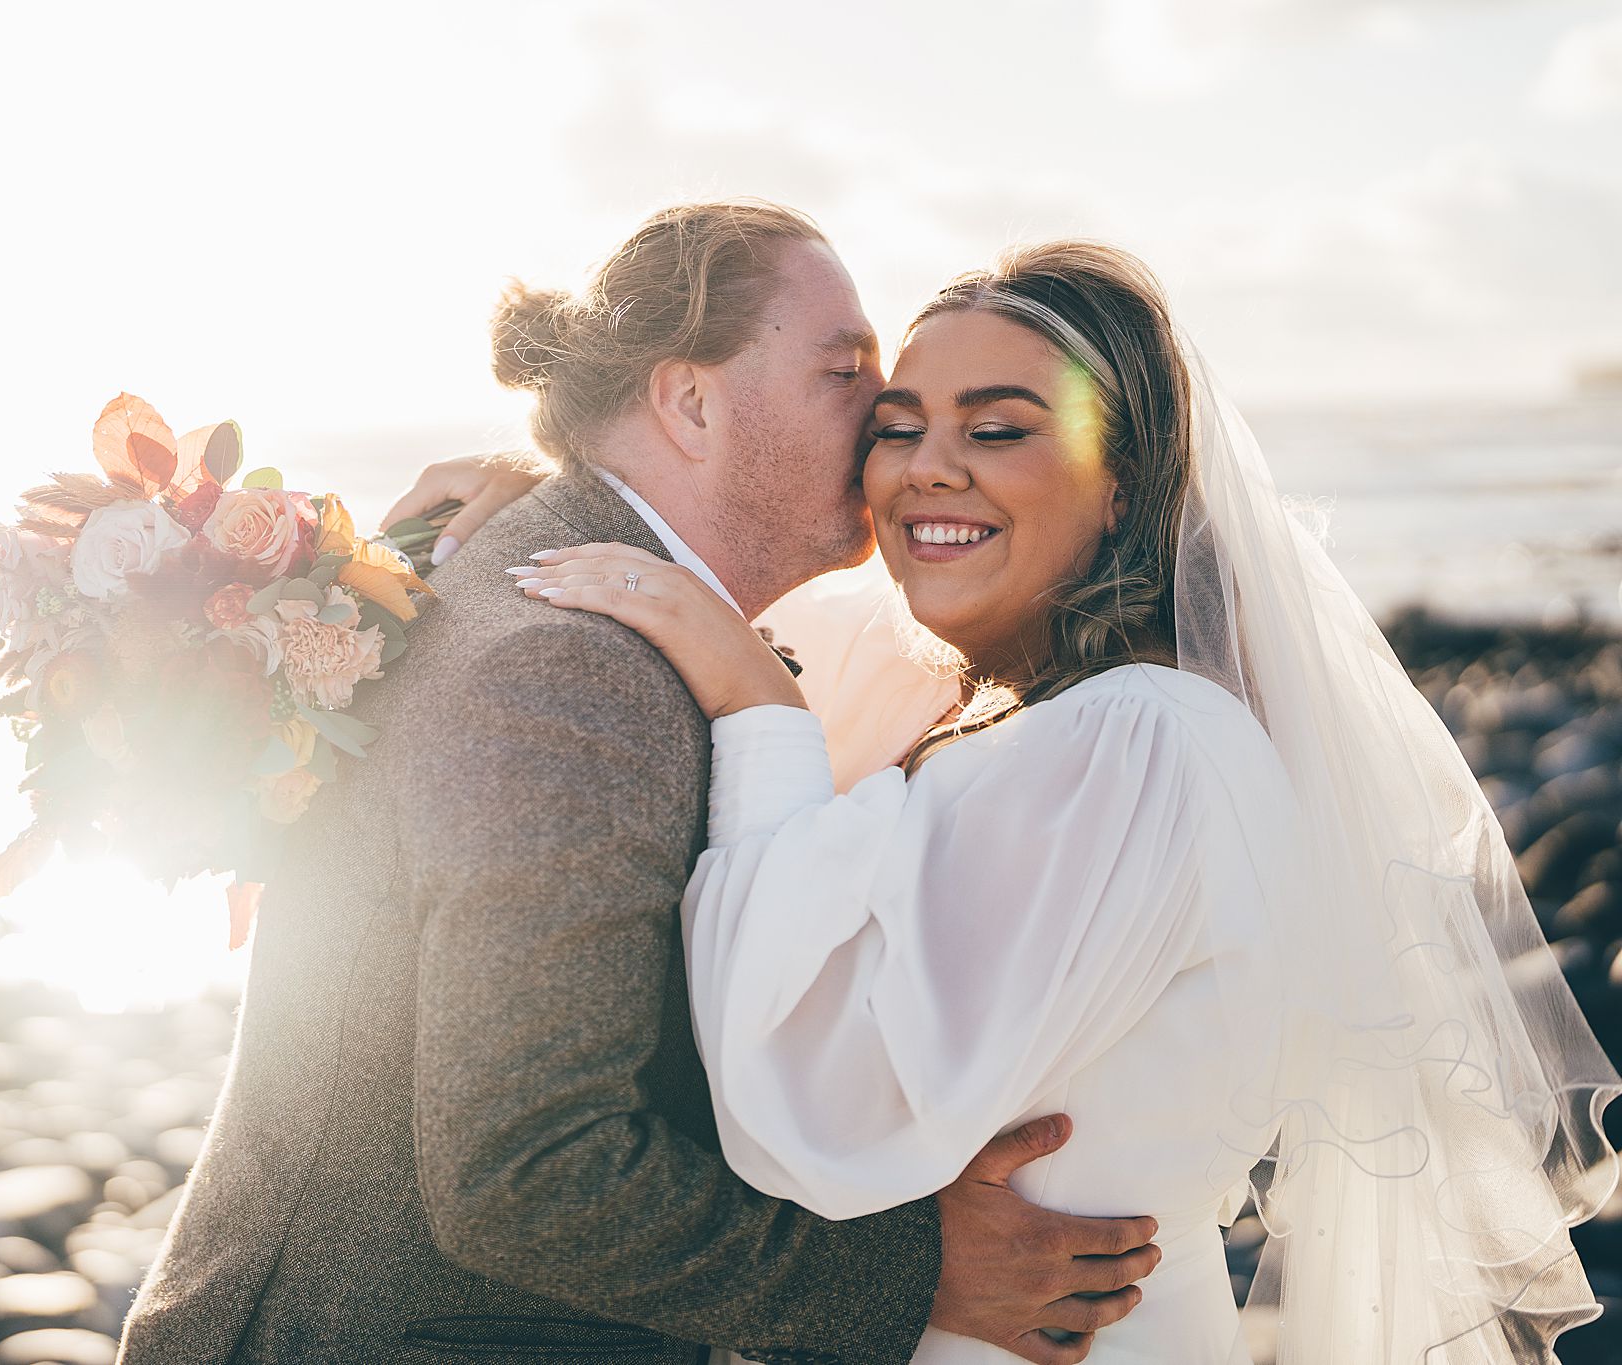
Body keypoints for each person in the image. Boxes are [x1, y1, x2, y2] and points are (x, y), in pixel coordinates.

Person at [476, 239, 1622, 1362]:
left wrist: (748, 697)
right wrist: (507, 516)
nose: (926, 466)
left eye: (998, 429)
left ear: (1121, 481)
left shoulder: (1138, 744)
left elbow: (799, 1092)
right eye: (894, 427)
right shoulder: (1034, 723)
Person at [116, 202, 1163, 1365]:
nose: (886, 418)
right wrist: (915, 1275)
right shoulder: (564, 666)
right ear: (691, 403)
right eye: (841, 370)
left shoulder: (564, 593)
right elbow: (528, 1173)